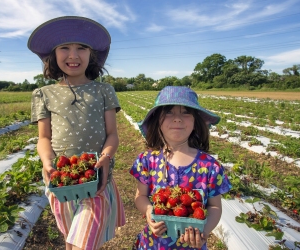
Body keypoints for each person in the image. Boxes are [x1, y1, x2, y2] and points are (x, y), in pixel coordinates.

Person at [28, 16, 125, 250]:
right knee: (71, 238)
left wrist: (106, 157)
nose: (73, 55)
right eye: (65, 48)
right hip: (61, 179)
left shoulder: (103, 91)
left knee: (84, 241)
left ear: (91, 54)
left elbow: (112, 134)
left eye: (81, 48)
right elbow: (44, 138)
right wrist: (47, 161)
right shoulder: (43, 93)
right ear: (54, 54)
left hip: (97, 176)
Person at [129, 86, 232, 249]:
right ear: (157, 121)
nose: (177, 119)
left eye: (186, 112)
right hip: (153, 243)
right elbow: (141, 196)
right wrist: (149, 211)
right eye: (169, 112)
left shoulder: (210, 166)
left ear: (195, 122)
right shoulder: (147, 160)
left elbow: (214, 206)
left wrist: (203, 232)